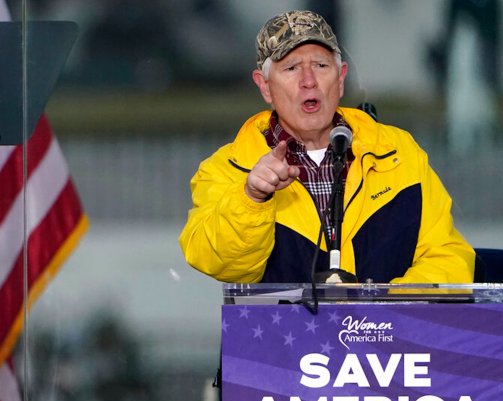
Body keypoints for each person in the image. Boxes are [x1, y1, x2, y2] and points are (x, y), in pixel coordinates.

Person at [179, 10, 474, 284]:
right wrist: (252, 197)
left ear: (341, 78)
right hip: (286, 327)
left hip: (391, 325)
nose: (309, 81)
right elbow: (219, 263)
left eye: (321, 65)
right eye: (291, 68)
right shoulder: (228, 168)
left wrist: (381, 309)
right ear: (265, 86)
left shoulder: (398, 152)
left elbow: (449, 257)